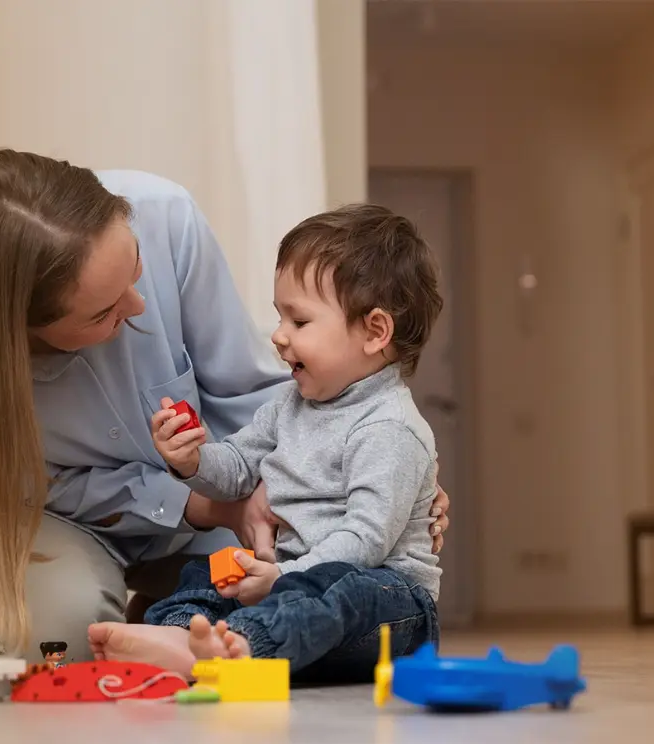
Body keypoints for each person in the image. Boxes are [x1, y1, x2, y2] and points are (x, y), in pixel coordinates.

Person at [0, 148, 451, 663]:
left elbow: (255, 400)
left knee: (274, 591)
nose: (140, 306)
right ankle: (163, 629)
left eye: (136, 270)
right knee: (60, 639)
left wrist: (357, 484)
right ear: (21, 331)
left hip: (259, 530)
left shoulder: (163, 215)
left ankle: (174, 628)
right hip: (37, 508)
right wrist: (198, 499)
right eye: (103, 313)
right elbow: (15, 486)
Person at [87, 204, 443, 684]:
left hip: (390, 603)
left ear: (375, 332)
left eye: (299, 322)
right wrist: (192, 460)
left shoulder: (390, 427)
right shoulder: (289, 404)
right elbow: (236, 468)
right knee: (204, 575)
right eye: (280, 318)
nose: (278, 336)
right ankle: (181, 635)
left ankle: (241, 647)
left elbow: (366, 540)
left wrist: (285, 579)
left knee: (342, 595)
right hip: (292, 580)